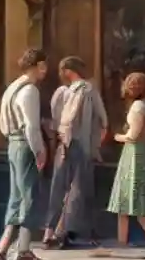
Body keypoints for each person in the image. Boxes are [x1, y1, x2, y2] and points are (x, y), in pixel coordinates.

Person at [0, 49, 52, 260]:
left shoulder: (12, 88)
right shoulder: (30, 90)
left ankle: (1, 250)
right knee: (30, 197)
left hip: (13, 144)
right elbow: (31, 126)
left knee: (16, 198)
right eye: (43, 65)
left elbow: (3, 122)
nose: (45, 70)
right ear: (36, 65)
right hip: (25, 145)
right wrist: (40, 150)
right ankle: (23, 252)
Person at [43, 56, 107, 250]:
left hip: (64, 144)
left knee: (59, 187)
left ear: (68, 71)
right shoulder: (87, 90)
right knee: (77, 189)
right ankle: (61, 232)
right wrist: (95, 144)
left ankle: (50, 232)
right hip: (80, 143)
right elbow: (103, 121)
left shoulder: (65, 92)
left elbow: (57, 120)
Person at [101, 70, 145, 260]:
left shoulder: (138, 107)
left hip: (135, 155)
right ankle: (122, 243)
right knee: (126, 202)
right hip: (142, 153)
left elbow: (133, 135)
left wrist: (117, 137)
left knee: (137, 202)